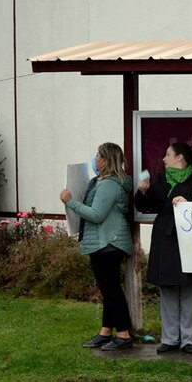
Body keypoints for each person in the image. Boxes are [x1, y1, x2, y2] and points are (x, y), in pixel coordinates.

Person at [135, 142, 192, 355]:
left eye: (168, 154)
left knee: (189, 290)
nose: (164, 159)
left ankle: (189, 340)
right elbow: (143, 206)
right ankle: (170, 338)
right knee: (168, 289)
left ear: (180, 157)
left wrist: (188, 202)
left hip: (189, 241)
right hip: (165, 239)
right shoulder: (161, 180)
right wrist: (142, 192)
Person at [60, 142, 135, 351]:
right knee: (108, 289)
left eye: (99, 156)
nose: (96, 159)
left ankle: (123, 334)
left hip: (108, 242)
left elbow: (96, 214)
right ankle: (106, 332)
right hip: (104, 242)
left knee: (111, 291)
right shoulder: (105, 181)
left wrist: (70, 201)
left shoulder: (109, 184)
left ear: (106, 160)